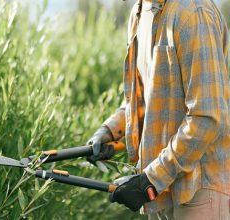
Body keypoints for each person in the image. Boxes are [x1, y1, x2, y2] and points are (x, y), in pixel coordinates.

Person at [86, 0, 230, 219]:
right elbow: (147, 97)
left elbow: (206, 117)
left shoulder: (193, 14)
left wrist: (150, 180)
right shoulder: (139, 12)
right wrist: (111, 130)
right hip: (162, 189)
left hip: (200, 190)